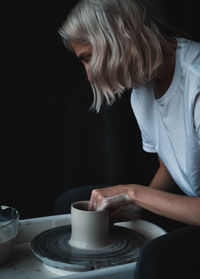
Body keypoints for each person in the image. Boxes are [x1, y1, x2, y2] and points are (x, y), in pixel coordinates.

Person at [59, 0, 200, 278]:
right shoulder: (142, 91)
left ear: (118, 35)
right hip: (190, 206)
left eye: (88, 57)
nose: (88, 74)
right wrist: (132, 207)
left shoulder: (196, 79)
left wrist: (133, 193)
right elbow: (168, 167)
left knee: (156, 261)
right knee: (73, 202)